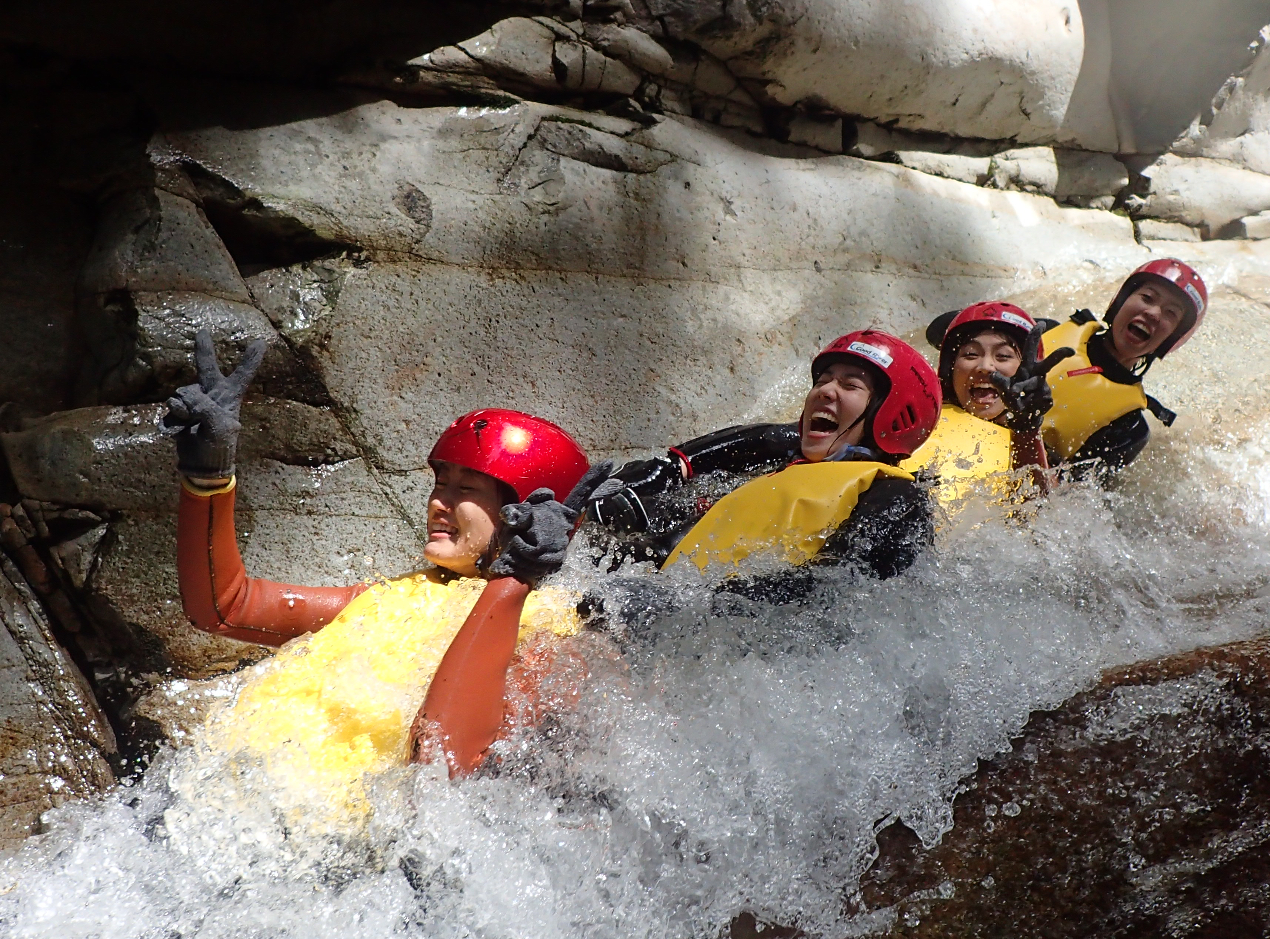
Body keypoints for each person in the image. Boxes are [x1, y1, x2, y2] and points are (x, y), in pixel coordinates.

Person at [163, 330, 608, 791]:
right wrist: (209, 479)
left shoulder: (551, 632)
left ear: (528, 510)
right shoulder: (391, 598)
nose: (439, 502)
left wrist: (515, 578)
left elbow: (443, 766)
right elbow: (225, 607)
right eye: (440, 483)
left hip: (359, 849)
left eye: (467, 489)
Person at [588, 331, 942, 584]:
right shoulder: (779, 472)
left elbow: (844, 588)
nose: (824, 391)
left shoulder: (897, 497)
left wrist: (698, 606)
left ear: (891, 416)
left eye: (850, 386)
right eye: (823, 381)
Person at [1037, 258, 1208, 474]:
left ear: (1171, 339)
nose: (1154, 313)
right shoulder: (1041, 332)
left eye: (1171, 313)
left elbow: (1060, 498)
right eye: (1147, 298)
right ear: (1121, 301)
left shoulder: (1128, 427)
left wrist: (1027, 429)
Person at [902, 301, 1072, 502]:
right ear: (950, 369)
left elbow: (1037, 517)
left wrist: (1026, 428)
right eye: (971, 354)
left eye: (1003, 356)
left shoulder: (1041, 454)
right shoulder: (912, 421)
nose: (985, 366)